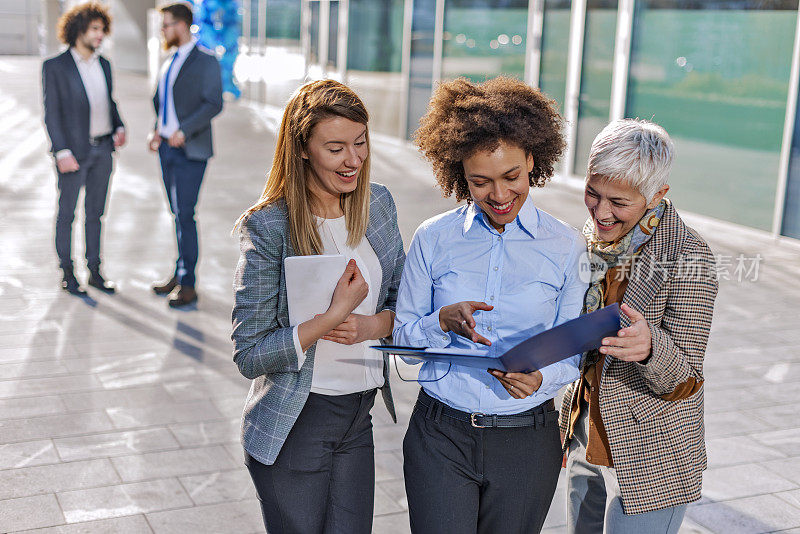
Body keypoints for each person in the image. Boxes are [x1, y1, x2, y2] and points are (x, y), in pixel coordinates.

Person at [393, 77, 588, 534]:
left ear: (532, 162)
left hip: (527, 437)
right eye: (480, 182)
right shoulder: (432, 238)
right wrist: (439, 322)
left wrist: (542, 376)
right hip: (440, 434)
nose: (499, 196)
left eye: (511, 177)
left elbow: (574, 349)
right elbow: (402, 341)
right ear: (460, 175)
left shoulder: (566, 245)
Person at [231, 80, 405, 534]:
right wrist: (329, 318)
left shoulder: (378, 204)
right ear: (303, 148)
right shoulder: (270, 225)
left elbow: (404, 302)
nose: (353, 160)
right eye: (336, 148)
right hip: (296, 423)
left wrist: (371, 325)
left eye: (360, 143)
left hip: (357, 418)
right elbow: (249, 354)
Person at [560, 119, 718, 534]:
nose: (601, 212)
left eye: (619, 202)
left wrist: (651, 347)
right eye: (592, 194)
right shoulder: (589, 241)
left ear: (657, 195)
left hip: (650, 456)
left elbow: (686, 378)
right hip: (584, 435)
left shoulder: (690, 255)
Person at [42, 1, 125, 296]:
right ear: (78, 30)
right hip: (73, 155)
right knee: (67, 214)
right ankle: (67, 271)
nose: (100, 35)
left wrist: (119, 125)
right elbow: (51, 113)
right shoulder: (55, 67)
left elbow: (108, 101)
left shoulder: (104, 64)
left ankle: (95, 271)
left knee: (96, 213)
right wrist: (61, 150)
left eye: (103, 30)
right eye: (95, 29)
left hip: (103, 151)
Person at [148, 2, 223, 308]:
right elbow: (163, 102)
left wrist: (184, 130)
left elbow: (213, 103)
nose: (163, 30)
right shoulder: (170, 59)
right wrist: (158, 129)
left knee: (185, 214)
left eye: (166, 25)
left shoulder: (205, 60)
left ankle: (189, 284)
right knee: (176, 214)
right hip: (166, 147)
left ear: (180, 25)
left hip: (190, 150)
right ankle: (179, 273)